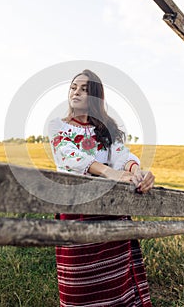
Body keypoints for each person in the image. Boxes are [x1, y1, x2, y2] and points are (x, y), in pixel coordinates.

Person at [48, 69, 155, 307]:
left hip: (111, 211)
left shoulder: (107, 129)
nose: (76, 92)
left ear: (96, 96)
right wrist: (109, 172)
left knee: (115, 285)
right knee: (78, 287)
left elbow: (121, 156)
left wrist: (137, 173)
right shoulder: (58, 126)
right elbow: (69, 156)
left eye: (84, 89)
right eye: (74, 87)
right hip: (76, 210)